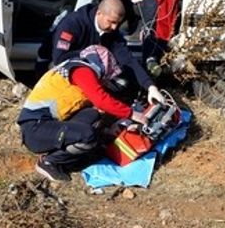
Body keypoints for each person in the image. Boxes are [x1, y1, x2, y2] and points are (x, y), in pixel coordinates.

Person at [17, 45, 147, 181]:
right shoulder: (81, 70)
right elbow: (101, 99)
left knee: (93, 116)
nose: (105, 79)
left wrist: (113, 127)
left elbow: (98, 106)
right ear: (100, 63)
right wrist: (132, 114)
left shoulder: (77, 68)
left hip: (46, 124)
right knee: (87, 135)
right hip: (35, 128)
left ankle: (80, 150)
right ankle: (49, 162)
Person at [37, 0, 166, 105]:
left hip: (87, 67)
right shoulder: (72, 24)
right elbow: (59, 58)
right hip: (54, 65)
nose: (114, 27)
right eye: (111, 22)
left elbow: (128, 60)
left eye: (118, 23)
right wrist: (92, 54)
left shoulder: (111, 31)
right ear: (99, 13)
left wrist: (150, 86)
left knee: (123, 83)